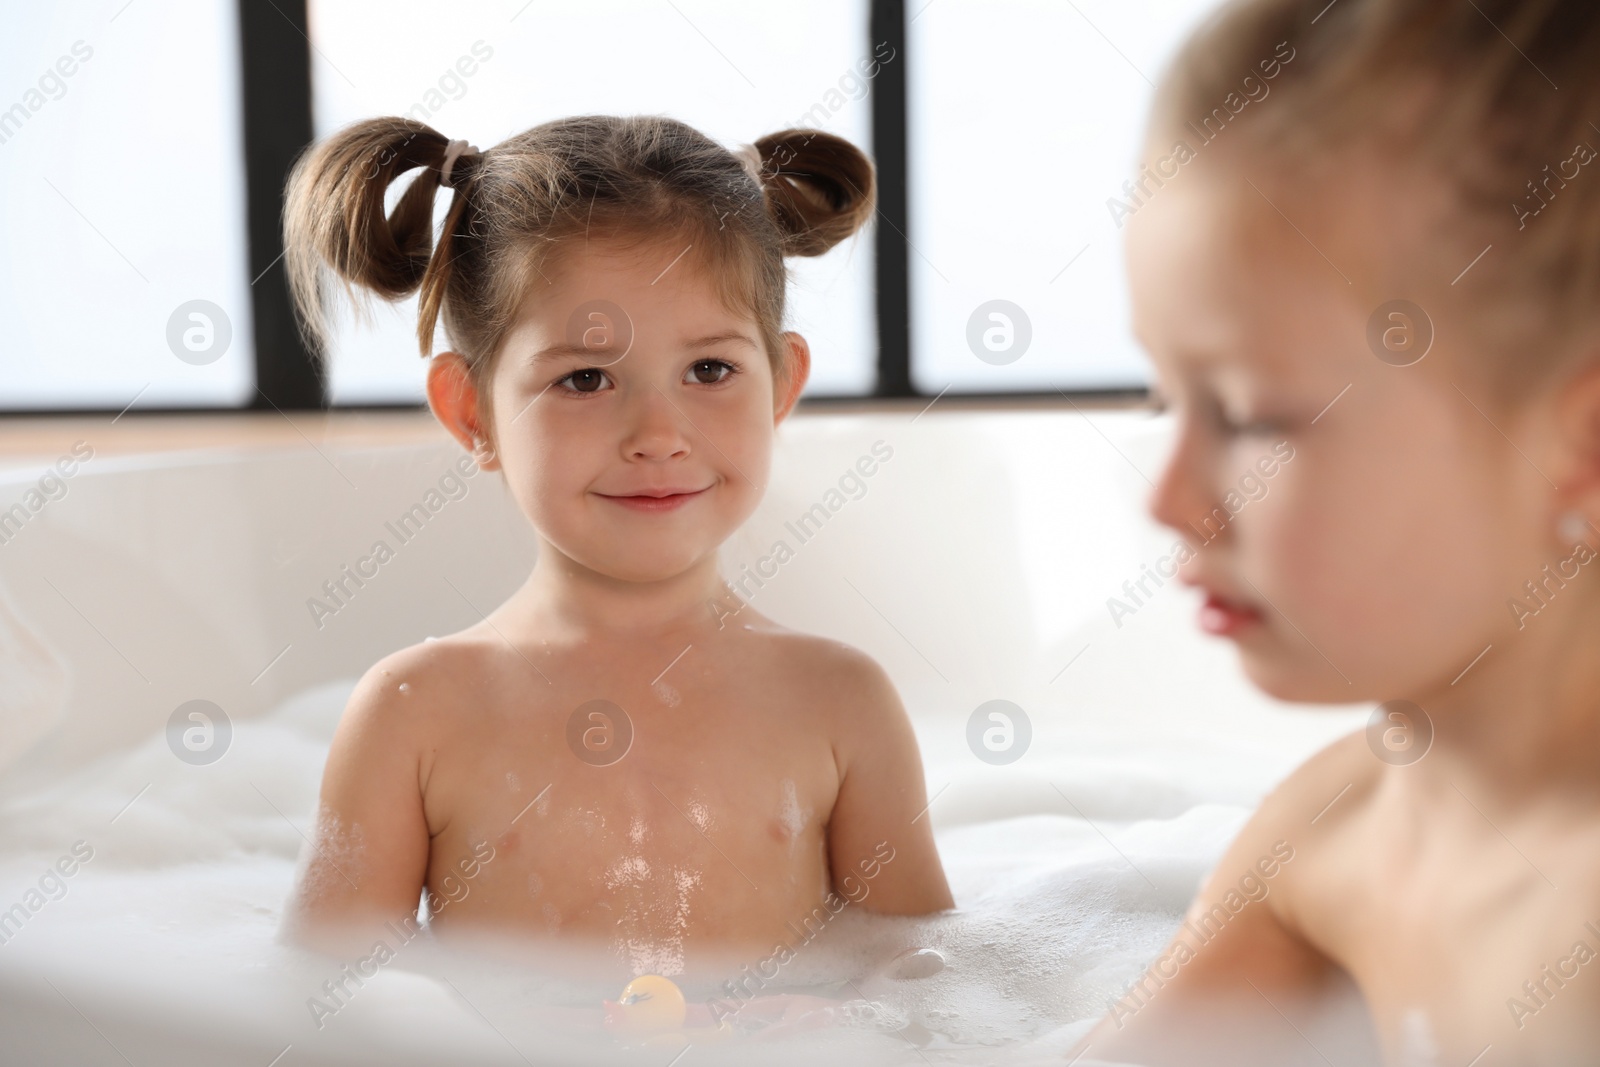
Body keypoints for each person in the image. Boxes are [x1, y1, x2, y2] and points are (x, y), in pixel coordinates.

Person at [276, 114, 952, 983]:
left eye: (710, 370)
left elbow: (930, 989)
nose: (658, 433)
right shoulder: (416, 712)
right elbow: (311, 1006)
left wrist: (851, 1016)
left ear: (781, 384)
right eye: (584, 378)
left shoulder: (839, 702)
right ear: (472, 412)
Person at [1080, 0, 1600, 1063]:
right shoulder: (1342, 821)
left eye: (1252, 416)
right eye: (1160, 398)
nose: (1166, 499)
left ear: (1581, 446)